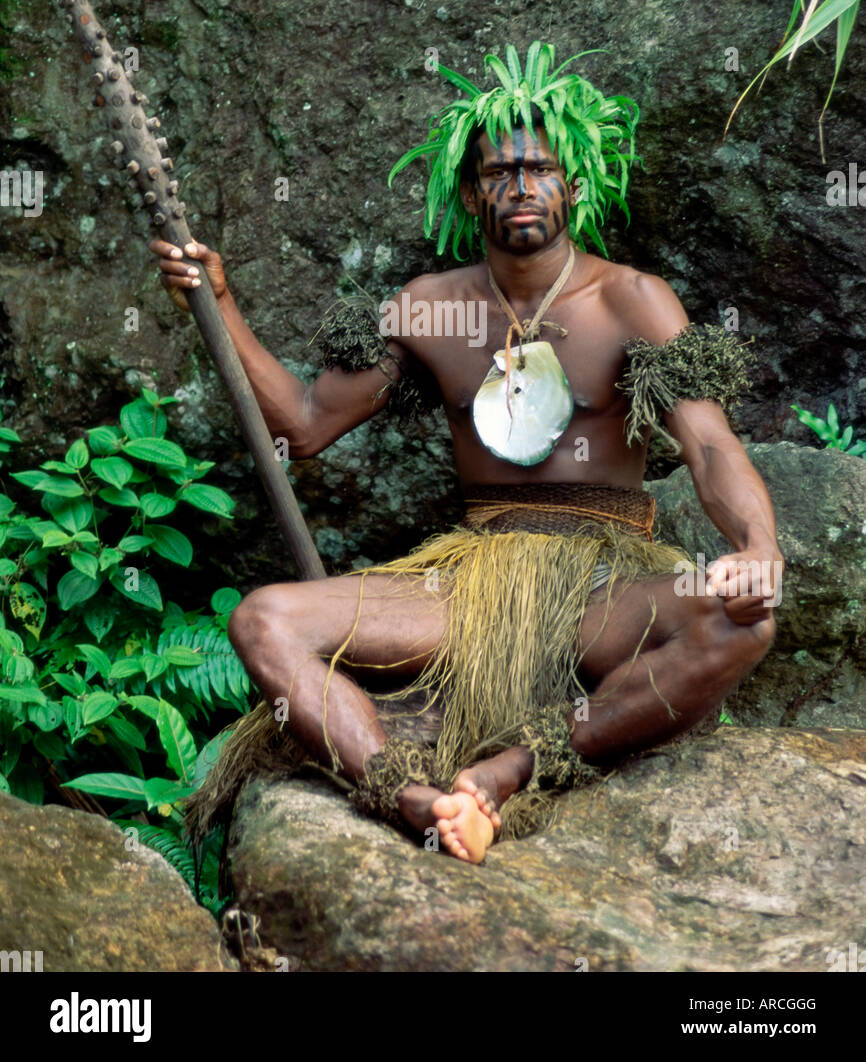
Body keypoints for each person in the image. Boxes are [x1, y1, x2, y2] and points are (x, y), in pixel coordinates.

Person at [149, 42, 782, 865]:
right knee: (264, 620)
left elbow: (708, 445)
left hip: (605, 584)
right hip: (468, 584)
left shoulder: (631, 300)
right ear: (468, 192)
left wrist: (756, 548)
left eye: (539, 169)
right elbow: (302, 426)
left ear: (575, 187)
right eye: (498, 173)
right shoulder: (429, 307)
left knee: (745, 621)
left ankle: (506, 774)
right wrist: (220, 301)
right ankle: (419, 801)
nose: (519, 186)